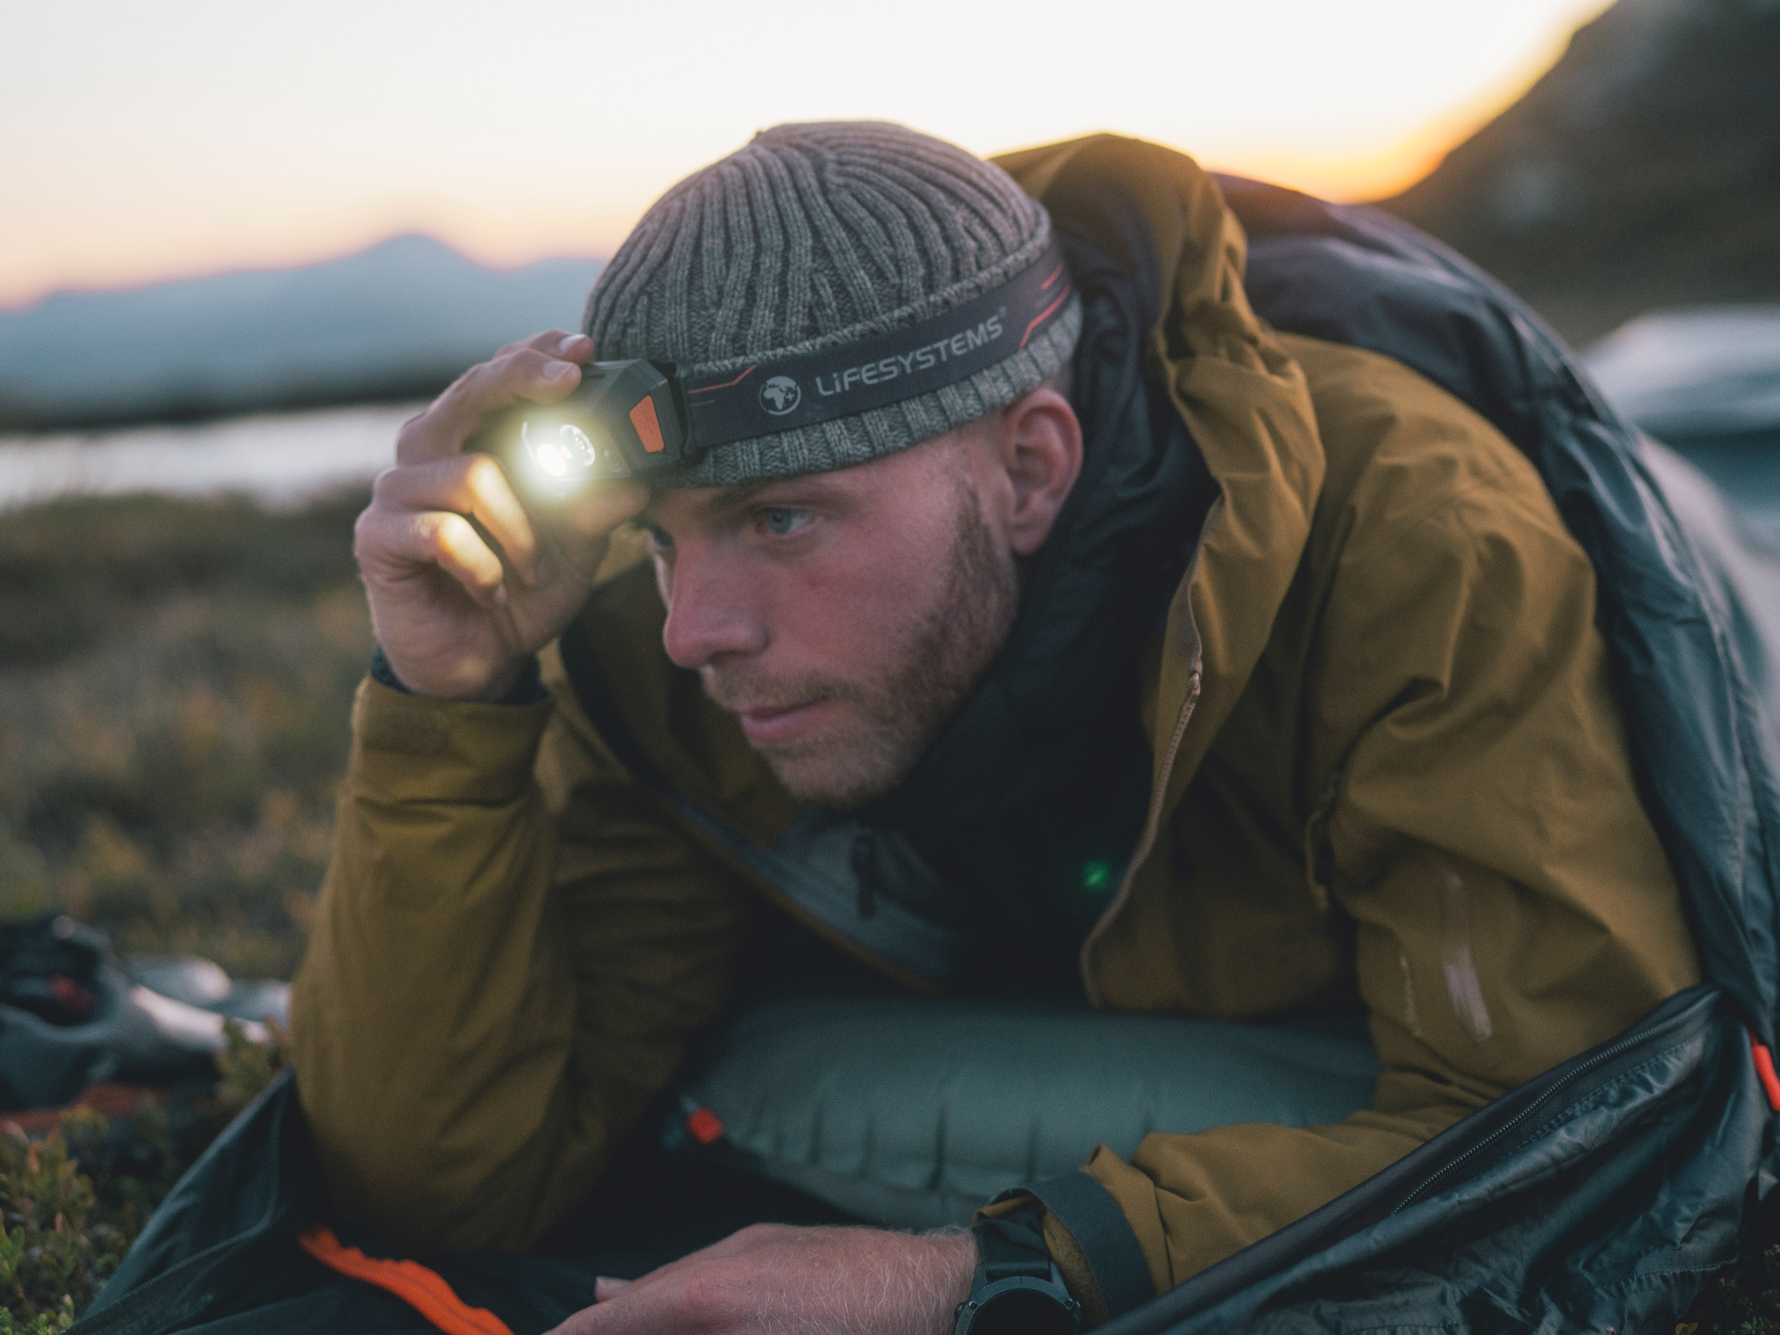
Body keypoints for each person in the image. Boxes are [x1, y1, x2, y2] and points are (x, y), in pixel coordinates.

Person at [290, 122, 1700, 1334]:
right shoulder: (685, 672)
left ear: (1030, 467)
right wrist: (443, 700)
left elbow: (1578, 1126)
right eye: (661, 542)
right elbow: (446, 1182)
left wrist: (973, 1277)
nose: (694, 627)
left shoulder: (1414, 546)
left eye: (781, 516)